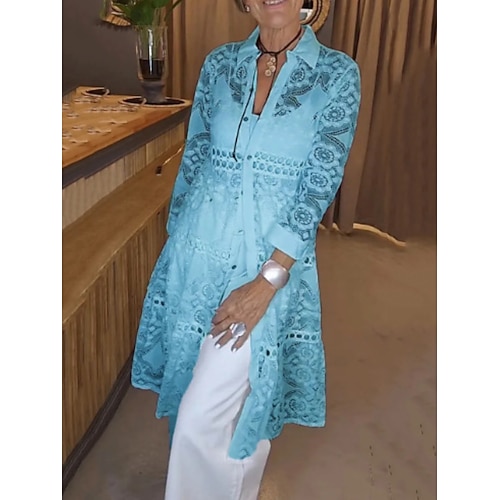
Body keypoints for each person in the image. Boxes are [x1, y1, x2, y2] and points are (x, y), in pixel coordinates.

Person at [131, 0, 361, 498]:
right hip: (196, 257)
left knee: (201, 417)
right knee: (215, 405)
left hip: (264, 266)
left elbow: (318, 185)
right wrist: (175, 243)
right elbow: (196, 156)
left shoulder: (337, 74)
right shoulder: (219, 64)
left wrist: (268, 281)